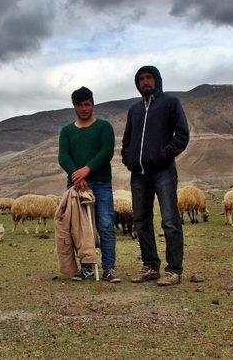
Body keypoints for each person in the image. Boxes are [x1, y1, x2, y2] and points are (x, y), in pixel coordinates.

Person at [121, 66, 189, 286]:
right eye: (141, 79)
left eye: (149, 78)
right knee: (141, 221)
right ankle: (150, 266)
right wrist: (128, 158)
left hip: (163, 171)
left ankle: (174, 269)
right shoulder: (135, 110)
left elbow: (182, 135)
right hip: (138, 174)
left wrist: (163, 155)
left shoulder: (170, 103)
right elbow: (127, 140)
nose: (145, 82)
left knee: (170, 219)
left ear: (157, 80)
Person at [58, 86, 120, 283]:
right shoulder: (67, 131)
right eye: (80, 105)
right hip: (76, 186)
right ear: (74, 107)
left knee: (105, 224)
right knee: (80, 227)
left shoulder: (104, 127)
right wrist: (77, 176)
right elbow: (63, 156)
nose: (84, 109)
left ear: (93, 104)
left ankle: (109, 268)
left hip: (100, 183)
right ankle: (87, 267)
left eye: (87, 104)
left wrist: (87, 170)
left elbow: (106, 151)